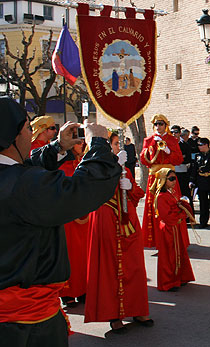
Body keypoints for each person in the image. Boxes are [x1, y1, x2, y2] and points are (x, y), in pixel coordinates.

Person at [0, 97, 121, 347]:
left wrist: (57, 147)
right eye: (26, 128)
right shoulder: (22, 186)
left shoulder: (12, 177)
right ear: (12, 135)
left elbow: (22, 169)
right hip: (26, 324)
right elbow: (85, 188)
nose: (28, 135)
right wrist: (98, 143)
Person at [84, 132, 153, 333]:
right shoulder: (97, 167)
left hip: (127, 221)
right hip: (107, 219)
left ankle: (137, 308)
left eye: (118, 144)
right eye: (114, 144)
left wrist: (130, 185)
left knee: (134, 265)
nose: (118, 148)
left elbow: (137, 195)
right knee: (111, 267)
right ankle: (114, 314)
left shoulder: (124, 169)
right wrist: (115, 169)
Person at [139, 114, 183, 248]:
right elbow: (143, 159)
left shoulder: (172, 140)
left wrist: (168, 150)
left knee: (172, 203)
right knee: (154, 206)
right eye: (156, 124)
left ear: (166, 125)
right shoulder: (149, 139)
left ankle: (173, 236)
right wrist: (152, 145)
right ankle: (156, 239)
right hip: (155, 176)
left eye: (161, 124)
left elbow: (179, 159)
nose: (158, 127)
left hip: (169, 175)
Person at [153, 168, 196, 291]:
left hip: (175, 229)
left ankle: (179, 277)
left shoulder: (171, 192)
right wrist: (183, 215)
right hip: (167, 229)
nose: (174, 181)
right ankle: (168, 282)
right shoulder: (161, 197)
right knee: (169, 256)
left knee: (178, 253)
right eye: (171, 179)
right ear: (163, 180)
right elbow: (167, 217)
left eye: (174, 178)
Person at [58, 142, 90, 308]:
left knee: (84, 254)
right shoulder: (61, 165)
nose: (81, 144)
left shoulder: (83, 162)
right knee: (70, 254)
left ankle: (83, 289)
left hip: (84, 215)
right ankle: (67, 293)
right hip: (68, 217)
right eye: (77, 142)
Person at [190, 137, 210, 228]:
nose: (199, 147)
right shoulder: (197, 156)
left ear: (206, 145)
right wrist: (192, 181)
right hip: (201, 180)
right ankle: (203, 221)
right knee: (203, 202)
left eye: (200, 145)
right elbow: (194, 169)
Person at [173, 127, 192, 209]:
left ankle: (188, 215)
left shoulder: (185, 145)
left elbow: (188, 159)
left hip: (182, 172)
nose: (174, 134)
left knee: (184, 193)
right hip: (171, 172)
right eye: (172, 132)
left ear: (179, 133)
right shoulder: (168, 144)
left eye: (176, 132)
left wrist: (179, 159)